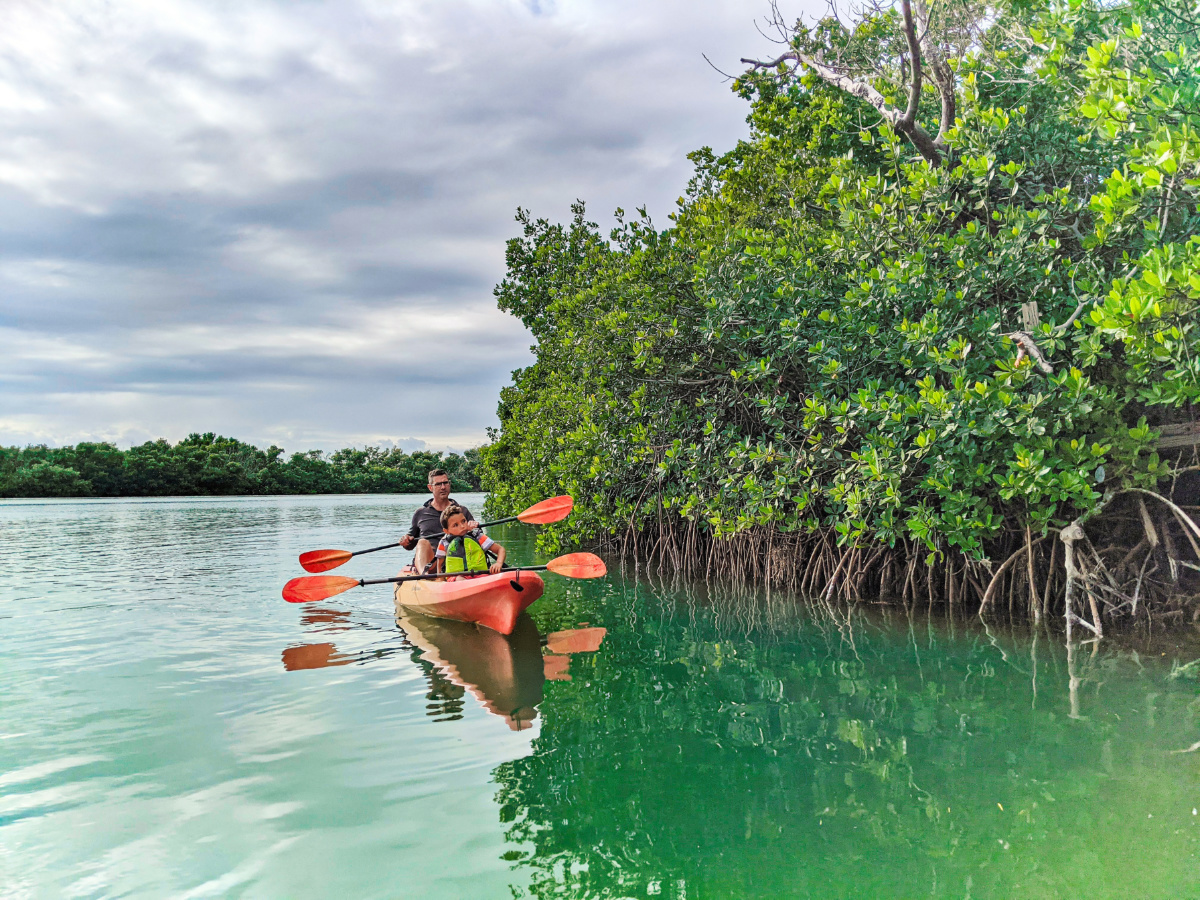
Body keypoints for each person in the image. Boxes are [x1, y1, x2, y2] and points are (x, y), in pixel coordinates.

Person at [399, 468, 479, 573]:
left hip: (456, 561)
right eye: (438, 484)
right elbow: (410, 544)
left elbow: (478, 537)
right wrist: (405, 540)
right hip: (431, 564)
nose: (443, 487)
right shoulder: (420, 513)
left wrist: (473, 527)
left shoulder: (461, 511)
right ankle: (425, 577)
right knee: (422, 542)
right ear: (430, 487)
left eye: (445, 483)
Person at [434, 504, 506, 577]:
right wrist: (440, 579)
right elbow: (439, 564)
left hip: (480, 575)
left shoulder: (477, 536)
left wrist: (499, 563)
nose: (462, 526)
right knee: (459, 578)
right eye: (456, 525)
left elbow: (501, 550)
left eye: (463, 521)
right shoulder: (444, 542)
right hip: (456, 578)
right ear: (446, 531)